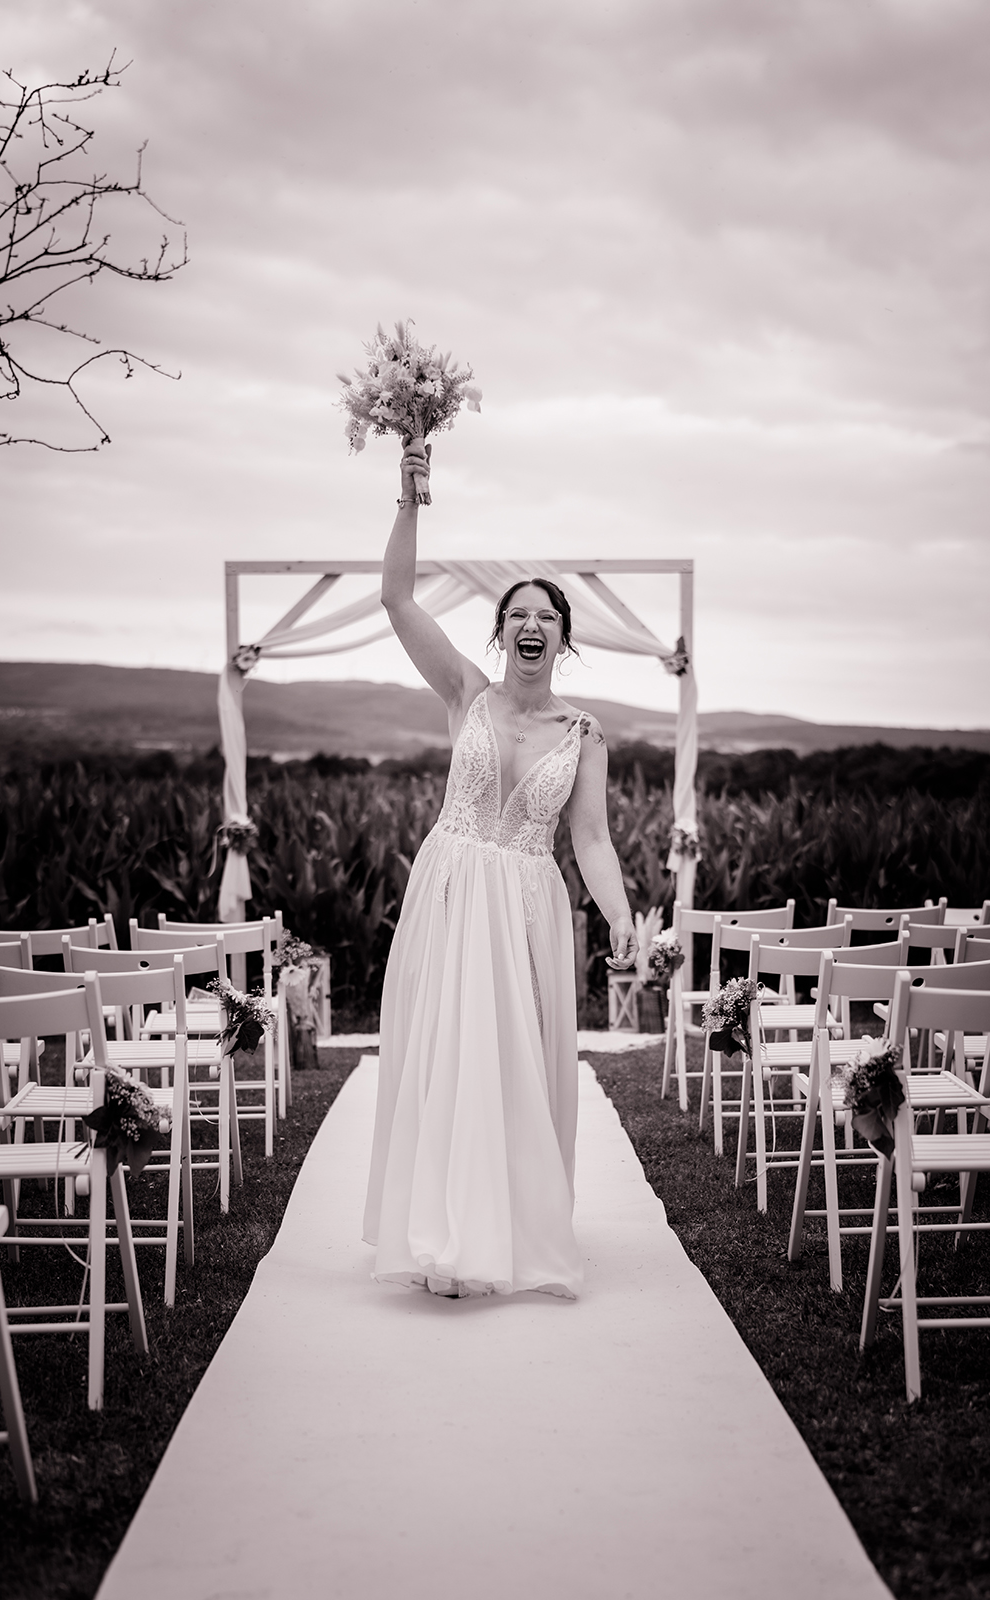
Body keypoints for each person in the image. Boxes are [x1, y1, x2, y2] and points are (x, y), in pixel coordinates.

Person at [362, 440, 638, 1299]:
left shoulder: (583, 735)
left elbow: (591, 840)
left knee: (511, 1062)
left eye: (545, 616)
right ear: (501, 632)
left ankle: (507, 1227)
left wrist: (622, 915)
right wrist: (410, 496)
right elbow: (396, 597)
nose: (531, 624)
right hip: (451, 893)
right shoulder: (464, 694)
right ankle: (440, 1233)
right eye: (517, 613)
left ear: (562, 637)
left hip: (525, 904)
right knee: (448, 1052)